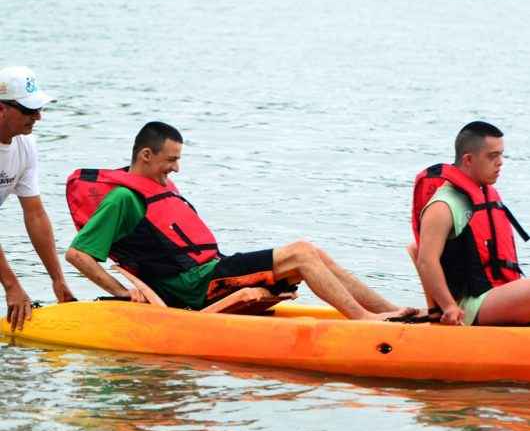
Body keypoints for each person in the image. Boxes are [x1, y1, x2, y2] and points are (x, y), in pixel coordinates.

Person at [65, 121, 414, 321]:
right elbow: (78, 254)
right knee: (302, 252)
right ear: (145, 155)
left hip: (210, 271)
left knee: (314, 254)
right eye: (171, 160)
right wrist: (123, 294)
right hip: (195, 287)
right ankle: (364, 320)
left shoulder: (153, 188)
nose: (176, 168)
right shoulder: (123, 198)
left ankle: (393, 312)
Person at [413, 121, 530, 326]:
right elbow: (425, 260)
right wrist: (449, 306)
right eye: (492, 156)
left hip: (496, 294)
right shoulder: (443, 205)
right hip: (471, 304)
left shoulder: (483, 194)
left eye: (501, 155)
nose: (500, 162)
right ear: (468, 159)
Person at [0, 66, 75, 330]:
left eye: (39, 109)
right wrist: (12, 285)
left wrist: (58, 279)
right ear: (1, 109)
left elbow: (35, 214)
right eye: (29, 110)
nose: (38, 117)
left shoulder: (25, 144)